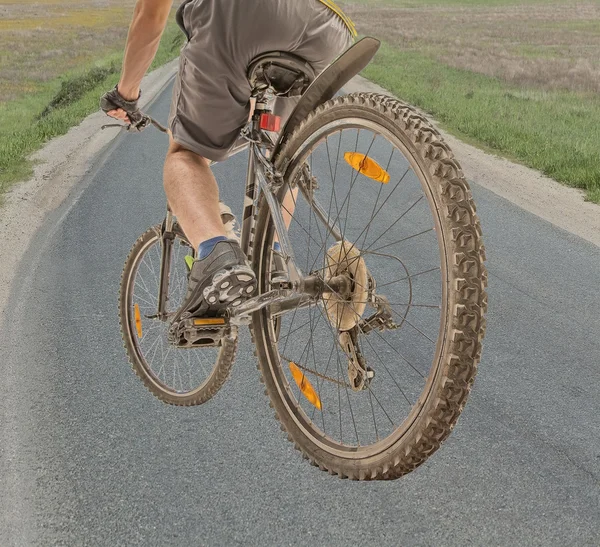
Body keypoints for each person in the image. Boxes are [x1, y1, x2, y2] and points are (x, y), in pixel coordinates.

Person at [101, 0, 355, 324]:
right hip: (328, 27)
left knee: (185, 153)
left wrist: (126, 94)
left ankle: (215, 254)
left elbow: (150, 14)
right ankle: (271, 260)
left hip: (243, 14)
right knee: (283, 152)